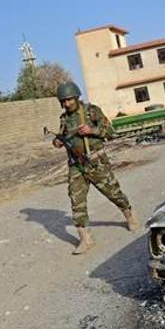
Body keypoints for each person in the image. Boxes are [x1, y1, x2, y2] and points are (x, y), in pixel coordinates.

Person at [52, 81, 138, 254]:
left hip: (96, 161)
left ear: (76, 97)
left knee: (113, 192)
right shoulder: (64, 119)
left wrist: (91, 130)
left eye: (69, 100)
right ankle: (85, 239)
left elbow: (111, 132)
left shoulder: (92, 112)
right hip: (76, 166)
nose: (67, 104)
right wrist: (58, 141)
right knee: (76, 202)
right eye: (63, 101)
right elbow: (60, 139)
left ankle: (129, 216)